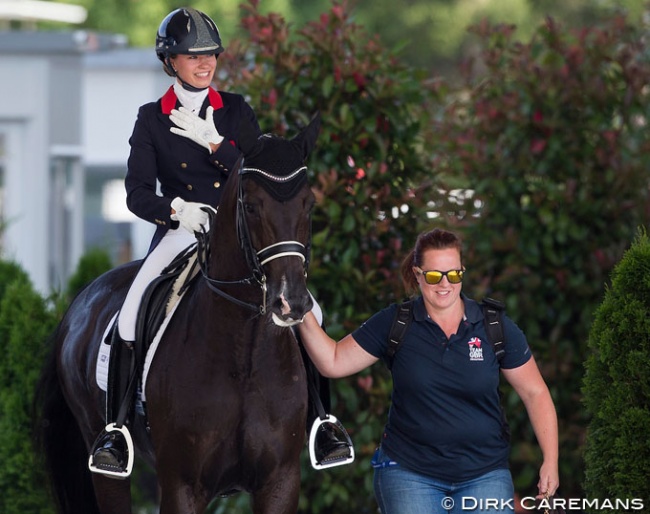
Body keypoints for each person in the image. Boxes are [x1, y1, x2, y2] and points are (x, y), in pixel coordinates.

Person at [88, 6, 351, 478]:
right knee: (130, 315)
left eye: (209, 53)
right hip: (181, 232)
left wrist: (217, 144)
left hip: (239, 235)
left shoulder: (236, 110)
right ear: (170, 62)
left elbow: (259, 174)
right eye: (192, 56)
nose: (204, 62)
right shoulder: (151, 119)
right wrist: (176, 211)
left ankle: (322, 423)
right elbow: (136, 192)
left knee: (311, 312)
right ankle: (118, 429)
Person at [297, 228, 559, 513]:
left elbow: (535, 393)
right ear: (418, 274)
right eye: (434, 276)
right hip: (408, 473)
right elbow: (333, 360)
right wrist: (297, 303)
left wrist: (551, 460)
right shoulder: (396, 323)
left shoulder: (493, 326)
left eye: (454, 275)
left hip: (485, 474)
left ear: (462, 272)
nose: (445, 284)